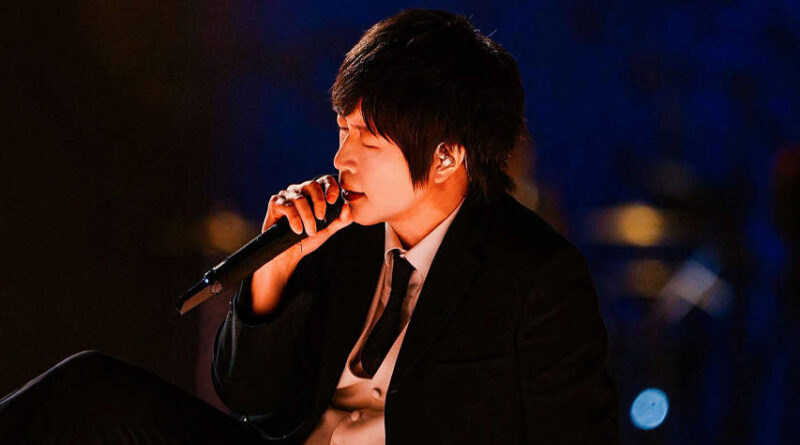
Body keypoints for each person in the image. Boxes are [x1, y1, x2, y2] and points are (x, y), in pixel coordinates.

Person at [0, 8, 618, 444]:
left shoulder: (536, 274)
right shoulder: (341, 233)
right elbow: (252, 404)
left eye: (368, 139)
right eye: (343, 130)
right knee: (89, 390)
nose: (341, 158)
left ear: (447, 155)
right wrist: (274, 272)